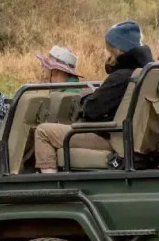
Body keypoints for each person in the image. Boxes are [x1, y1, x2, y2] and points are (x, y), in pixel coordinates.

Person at [32, 21, 152, 173]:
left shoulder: (121, 76)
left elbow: (91, 110)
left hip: (111, 136)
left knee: (43, 132)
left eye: (107, 48)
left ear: (116, 50)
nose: (105, 53)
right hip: (128, 136)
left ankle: (50, 183)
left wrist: (86, 99)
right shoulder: (145, 72)